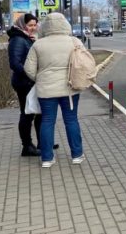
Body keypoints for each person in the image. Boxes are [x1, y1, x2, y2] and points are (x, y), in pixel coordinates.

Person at [24, 12, 85, 168]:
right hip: (70, 88)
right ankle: (77, 155)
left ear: (45, 27)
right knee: (71, 120)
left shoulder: (38, 44)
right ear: (65, 25)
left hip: (46, 90)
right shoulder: (74, 41)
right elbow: (84, 62)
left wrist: (40, 79)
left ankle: (47, 158)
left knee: (47, 122)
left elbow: (28, 69)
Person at [7, 13, 42, 157]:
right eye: (30, 25)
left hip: (30, 81)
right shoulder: (18, 40)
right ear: (23, 25)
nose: (33, 28)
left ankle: (43, 142)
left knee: (38, 113)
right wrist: (31, 74)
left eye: (35, 25)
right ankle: (27, 146)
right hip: (24, 83)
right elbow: (15, 64)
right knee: (27, 114)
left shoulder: (26, 38)